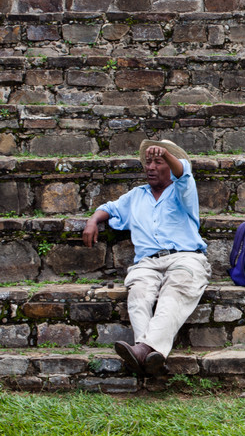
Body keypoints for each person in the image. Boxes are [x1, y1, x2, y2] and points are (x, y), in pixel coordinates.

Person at [83, 139, 210, 375]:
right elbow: (109, 208)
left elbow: (183, 171)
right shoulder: (136, 196)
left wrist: (167, 154)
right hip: (147, 262)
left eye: (158, 162)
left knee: (174, 292)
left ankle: (142, 350)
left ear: (170, 165)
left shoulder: (183, 189)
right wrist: (93, 221)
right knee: (138, 293)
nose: (150, 167)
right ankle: (150, 356)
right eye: (148, 162)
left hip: (185, 257)